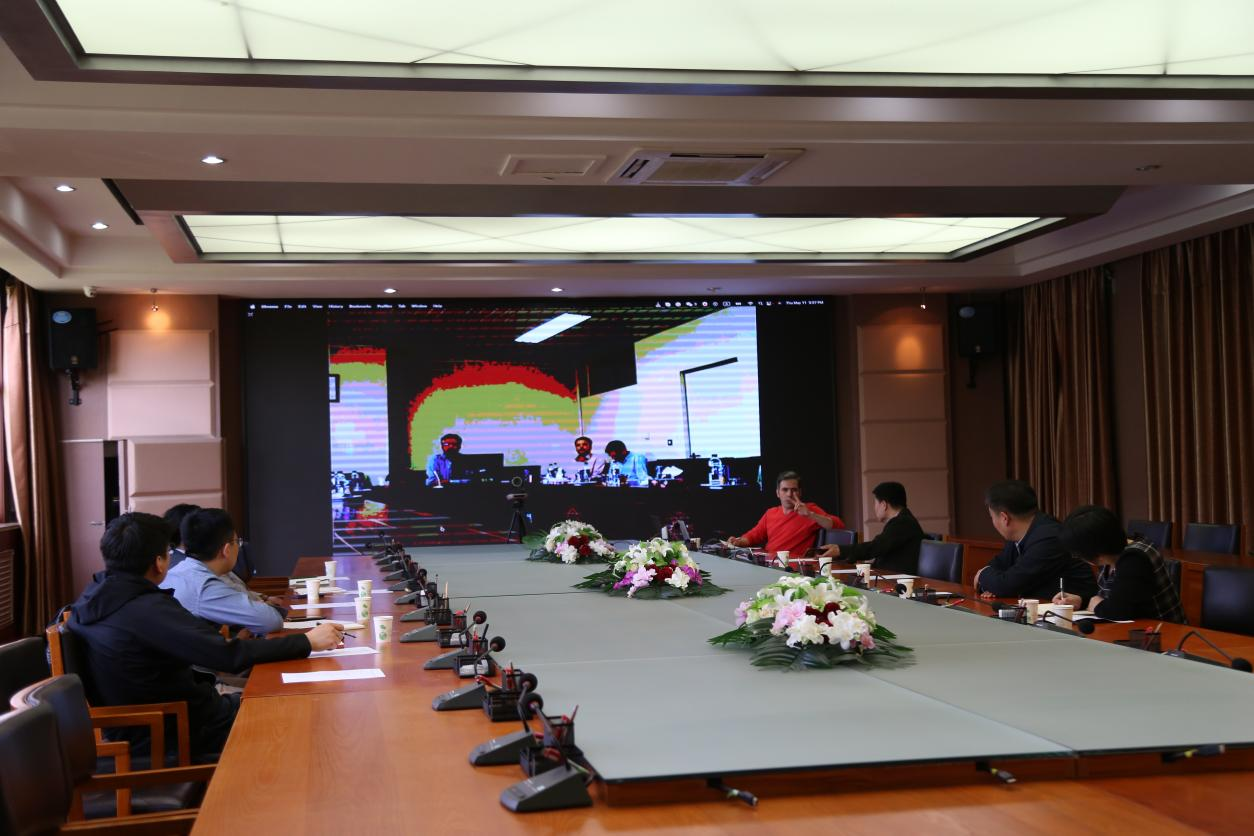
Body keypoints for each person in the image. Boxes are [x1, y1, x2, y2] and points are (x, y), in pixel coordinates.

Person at [68, 512, 343, 758]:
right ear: (159, 562)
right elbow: (226, 655)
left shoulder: (91, 601)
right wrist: (307, 641)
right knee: (298, 708)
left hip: (143, 727)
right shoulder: (146, 609)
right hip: (177, 730)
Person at [161, 508, 287, 635]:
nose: (238, 547)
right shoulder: (203, 586)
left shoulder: (178, 572)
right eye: (237, 542)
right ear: (226, 550)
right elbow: (272, 621)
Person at [1054, 505, 1186, 622]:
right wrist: (1081, 601)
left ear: (1096, 552)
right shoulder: (1112, 551)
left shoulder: (1135, 559)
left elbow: (1120, 611)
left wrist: (1097, 606)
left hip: (1162, 634)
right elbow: (1114, 598)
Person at [974, 480, 1098, 602]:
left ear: (1004, 518)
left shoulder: (1048, 537)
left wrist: (982, 575)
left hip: (1075, 611)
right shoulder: (1019, 535)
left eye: (992, 517)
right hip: (1045, 608)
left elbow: (1009, 585)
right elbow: (998, 567)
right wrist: (991, 583)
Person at [728, 471, 842, 556]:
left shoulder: (810, 510)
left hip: (793, 567)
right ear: (778, 493)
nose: (789, 494)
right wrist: (739, 542)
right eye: (785, 490)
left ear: (800, 492)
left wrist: (811, 515)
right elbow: (753, 536)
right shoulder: (771, 513)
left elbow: (838, 525)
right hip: (770, 563)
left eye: (794, 490)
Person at [819, 481, 923, 573]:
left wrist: (840, 550)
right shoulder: (902, 520)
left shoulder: (903, 523)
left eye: (875, 503)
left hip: (898, 581)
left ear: (884, 505)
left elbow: (874, 547)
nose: (874, 507)